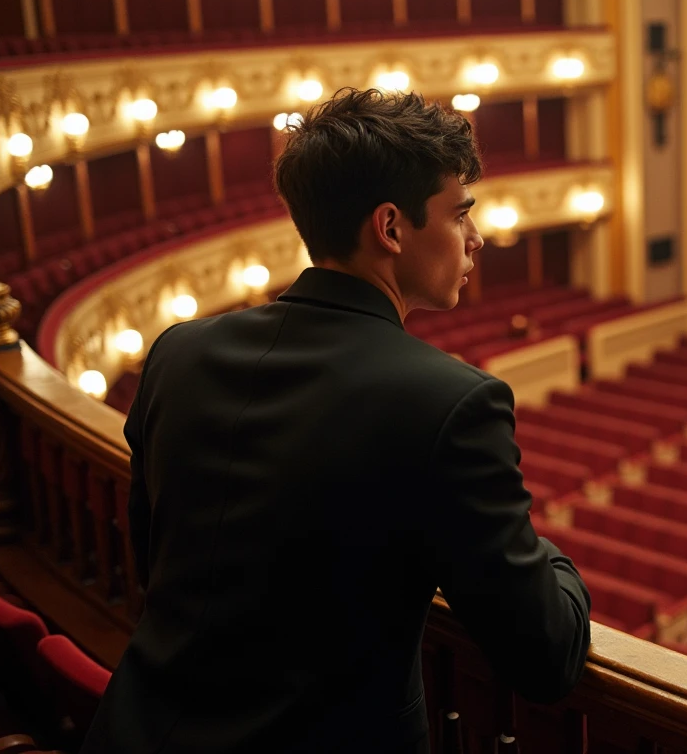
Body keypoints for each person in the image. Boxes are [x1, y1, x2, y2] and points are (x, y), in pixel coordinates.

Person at [83, 88, 592, 754]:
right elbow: (544, 655)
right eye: (459, 213)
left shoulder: (179, 353)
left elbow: (156, 557)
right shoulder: (451, 405)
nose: (477, 236)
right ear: (390, 227)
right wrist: (558, 563)